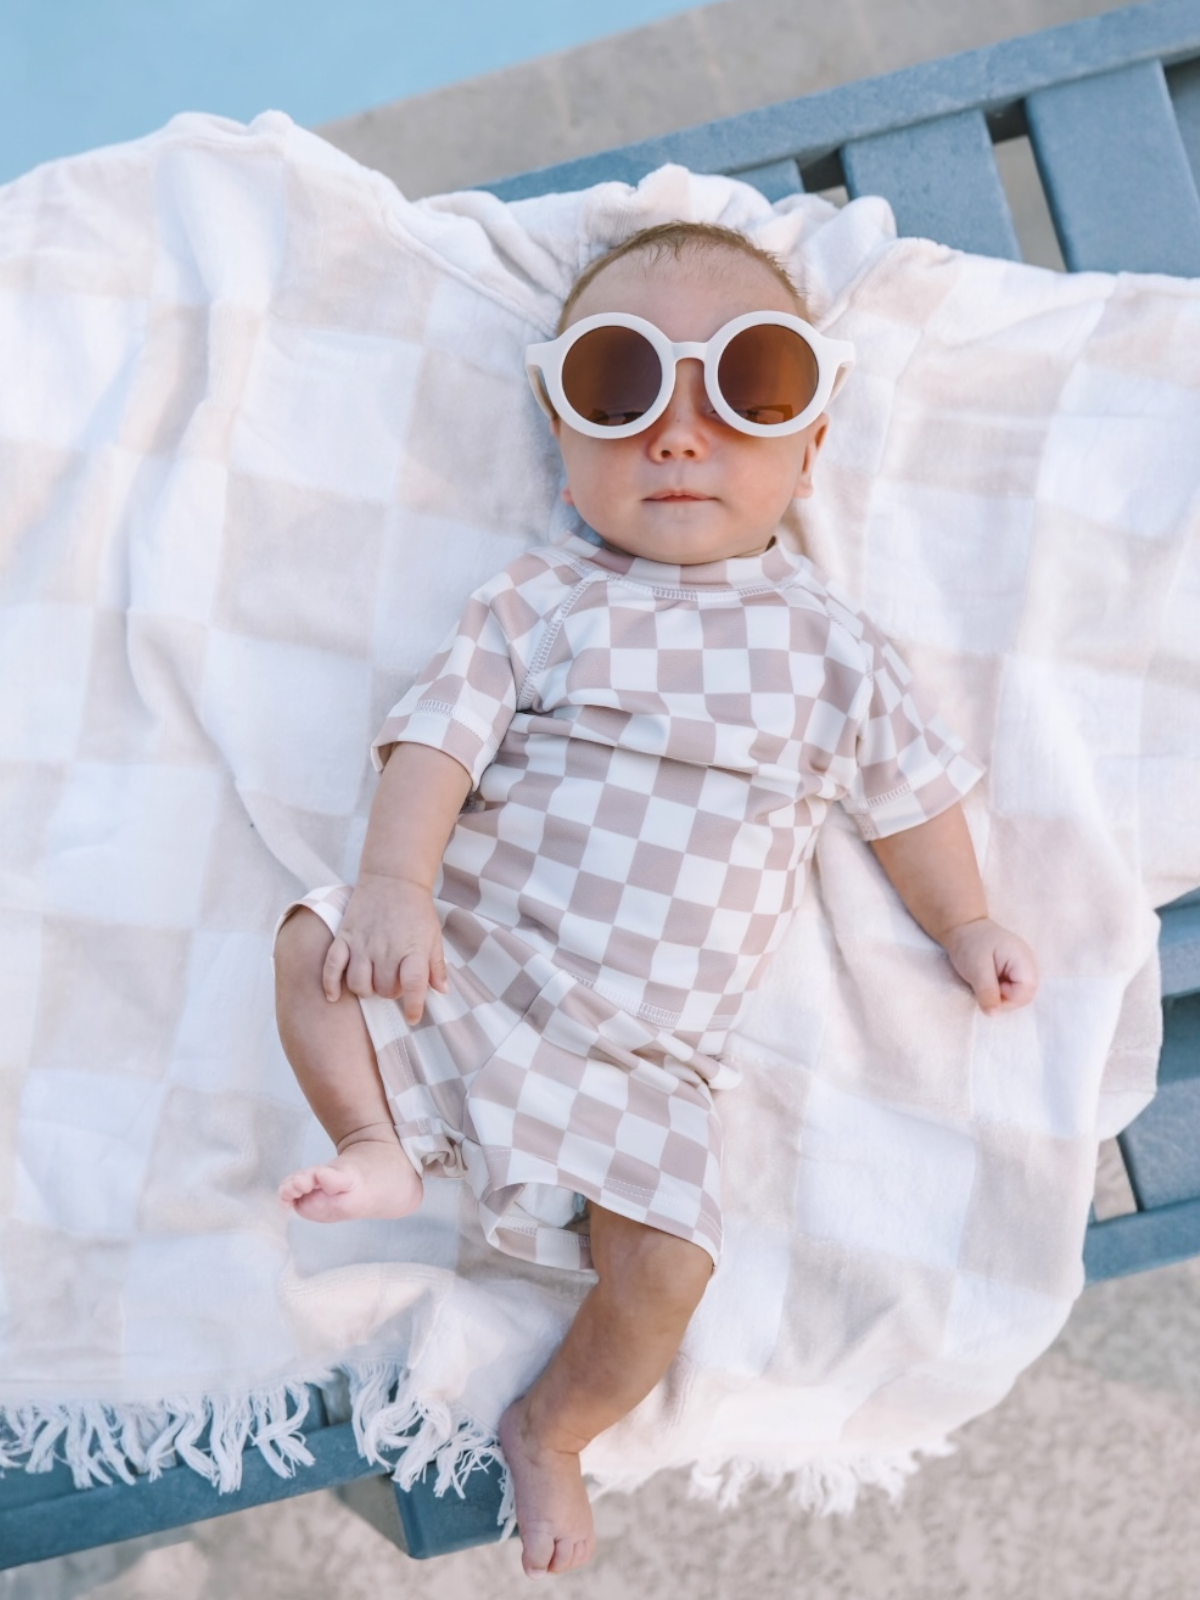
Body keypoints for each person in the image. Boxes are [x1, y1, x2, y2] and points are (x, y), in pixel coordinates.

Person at [273, 220, 1039, 1578]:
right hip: (478, 975)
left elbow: (911, 801)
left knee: (673, 1271)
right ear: (560, 442)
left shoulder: (830, 646)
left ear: (812, 448)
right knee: (312, 938)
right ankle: (377, 1139)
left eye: (749, 387)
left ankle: (556, 1427)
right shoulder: (536, 601)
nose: (679, 437)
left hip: (645, 1066)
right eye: (622, 390)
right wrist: (397, 885)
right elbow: (434, 746)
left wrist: (965, 921)